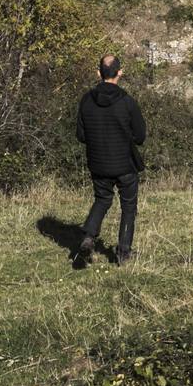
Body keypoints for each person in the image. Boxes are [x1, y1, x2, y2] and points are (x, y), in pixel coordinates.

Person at [75, 53, 146, 264]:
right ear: (120, 73)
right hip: (125, 163)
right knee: (128, 206)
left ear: (99, 73)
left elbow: (81, 135)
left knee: (103, 199)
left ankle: (88, 236)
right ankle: (123, 252)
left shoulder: (86, 101)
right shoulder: (127, 102)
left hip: (98, 163)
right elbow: (140, 136)